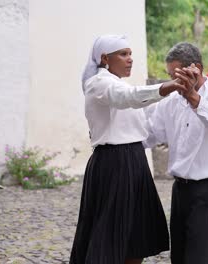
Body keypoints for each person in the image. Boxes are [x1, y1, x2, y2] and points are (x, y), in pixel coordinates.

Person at [70, 35, 184, 264]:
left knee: (136, 234)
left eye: (130, 53)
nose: (130, 59)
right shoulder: (99, 83)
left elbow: (142, 115)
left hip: (134, 160)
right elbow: (127, 98)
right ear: (104, 58)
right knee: (111, 234)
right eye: (123, 54)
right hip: (114, 162)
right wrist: (167, 86)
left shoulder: (119, 84)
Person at [144, 42, 208, 264]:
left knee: (199, 258)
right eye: (170, 75)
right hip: (180, 190)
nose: (173, 82)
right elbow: (149, 134)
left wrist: (193, 97)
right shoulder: (171, 101)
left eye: (176, 75)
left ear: (196, 67)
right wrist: (115, 143)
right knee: (179, 255)